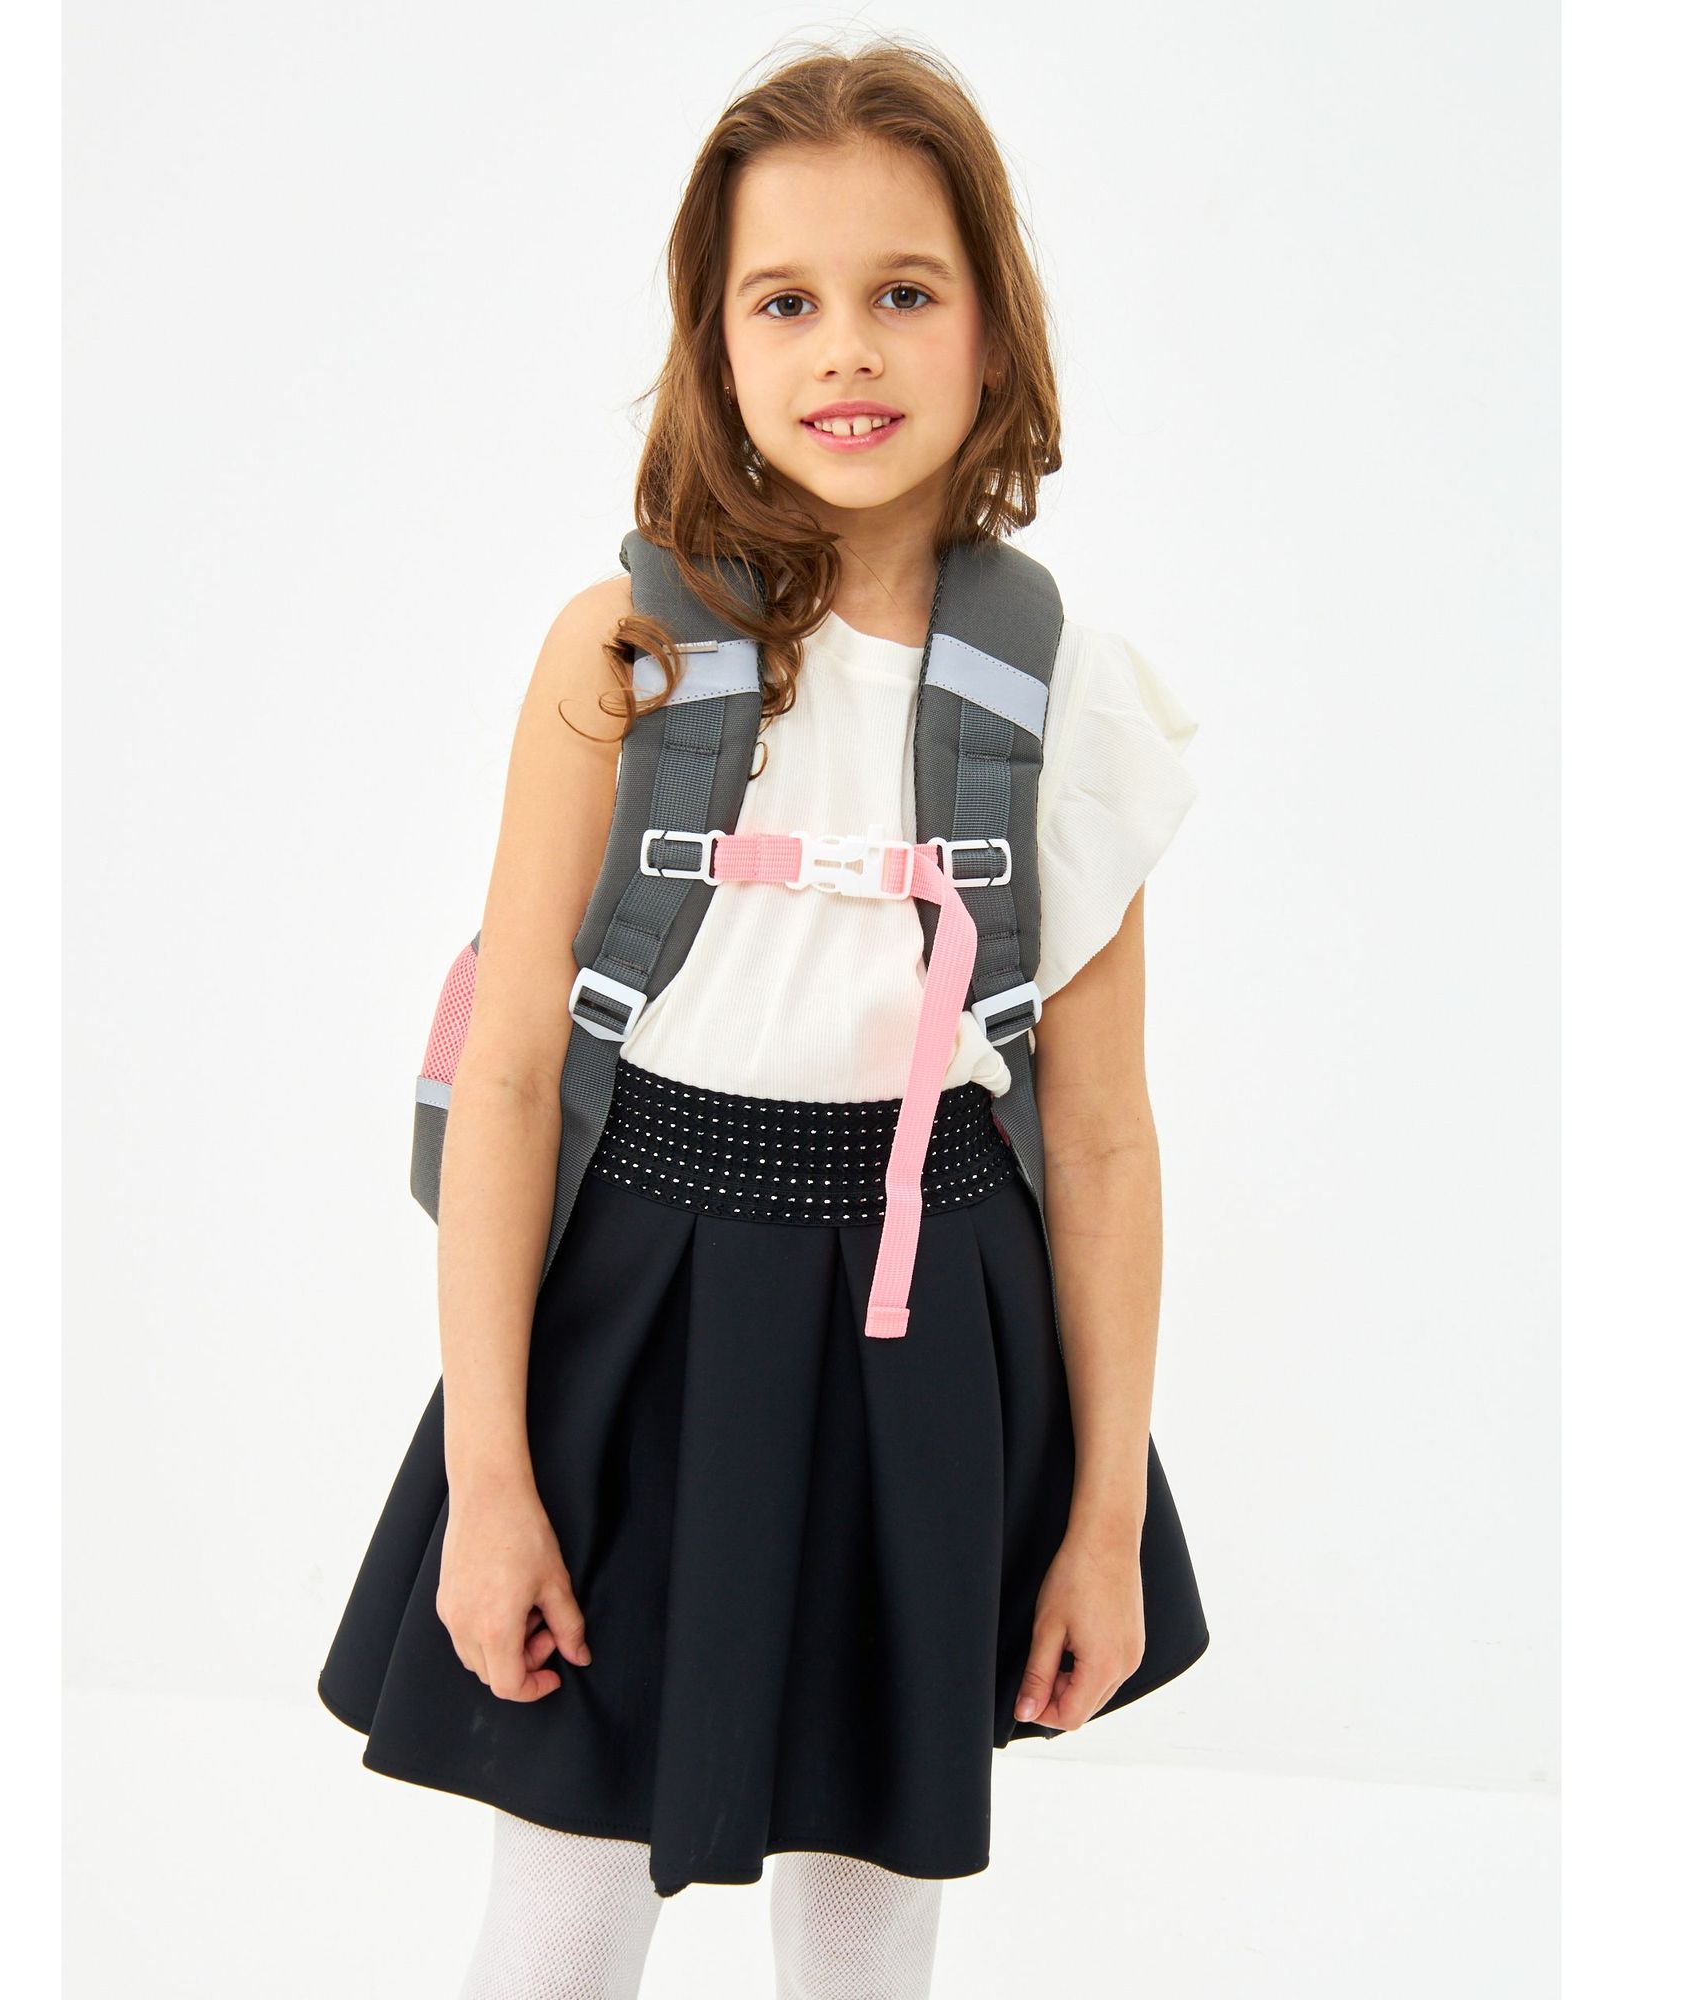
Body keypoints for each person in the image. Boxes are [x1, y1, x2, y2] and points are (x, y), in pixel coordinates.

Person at [318, 35, 1210, 1998]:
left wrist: (1101, 1516)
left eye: (906, 292)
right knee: (562, 1907)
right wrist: (491, 1478)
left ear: (994, 326)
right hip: (638, 1308)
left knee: (872, 1911)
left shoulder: (1076, 696)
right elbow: (516, 1075)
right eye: (784, 302)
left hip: (931, 1326)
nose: (847, 350)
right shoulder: (621, 654)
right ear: (713, 347)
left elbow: (1097, 1137)